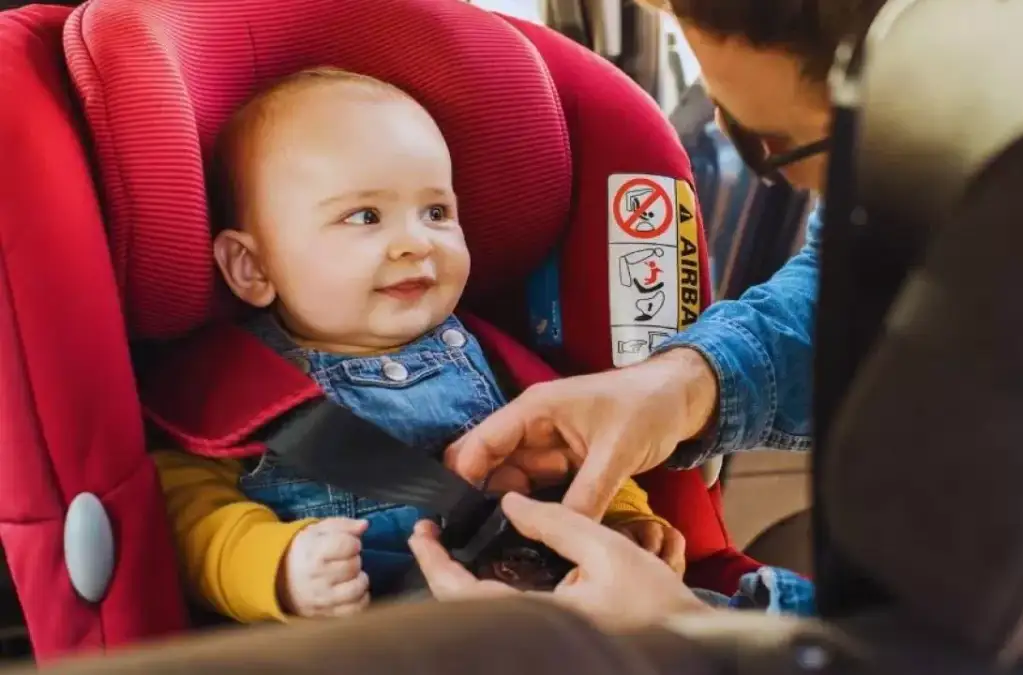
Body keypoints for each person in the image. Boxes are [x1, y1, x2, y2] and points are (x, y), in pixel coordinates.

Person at [410, 0, 1023, 628]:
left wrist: (700, 638)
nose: (783, 185)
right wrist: (685, 384)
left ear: (945, 68)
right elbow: (870, 271)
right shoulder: (945, 126)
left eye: (773, 146)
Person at [151, 67, 684, 623]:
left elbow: (579, 454)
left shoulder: (500, 362)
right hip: (379, 641)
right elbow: (189, 518)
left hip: (544, 619)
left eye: (436, 212)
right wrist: (280, 568)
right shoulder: (233, 393)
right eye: (365, 216)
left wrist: (622, 519)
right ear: (252, 266)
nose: (415, 242)